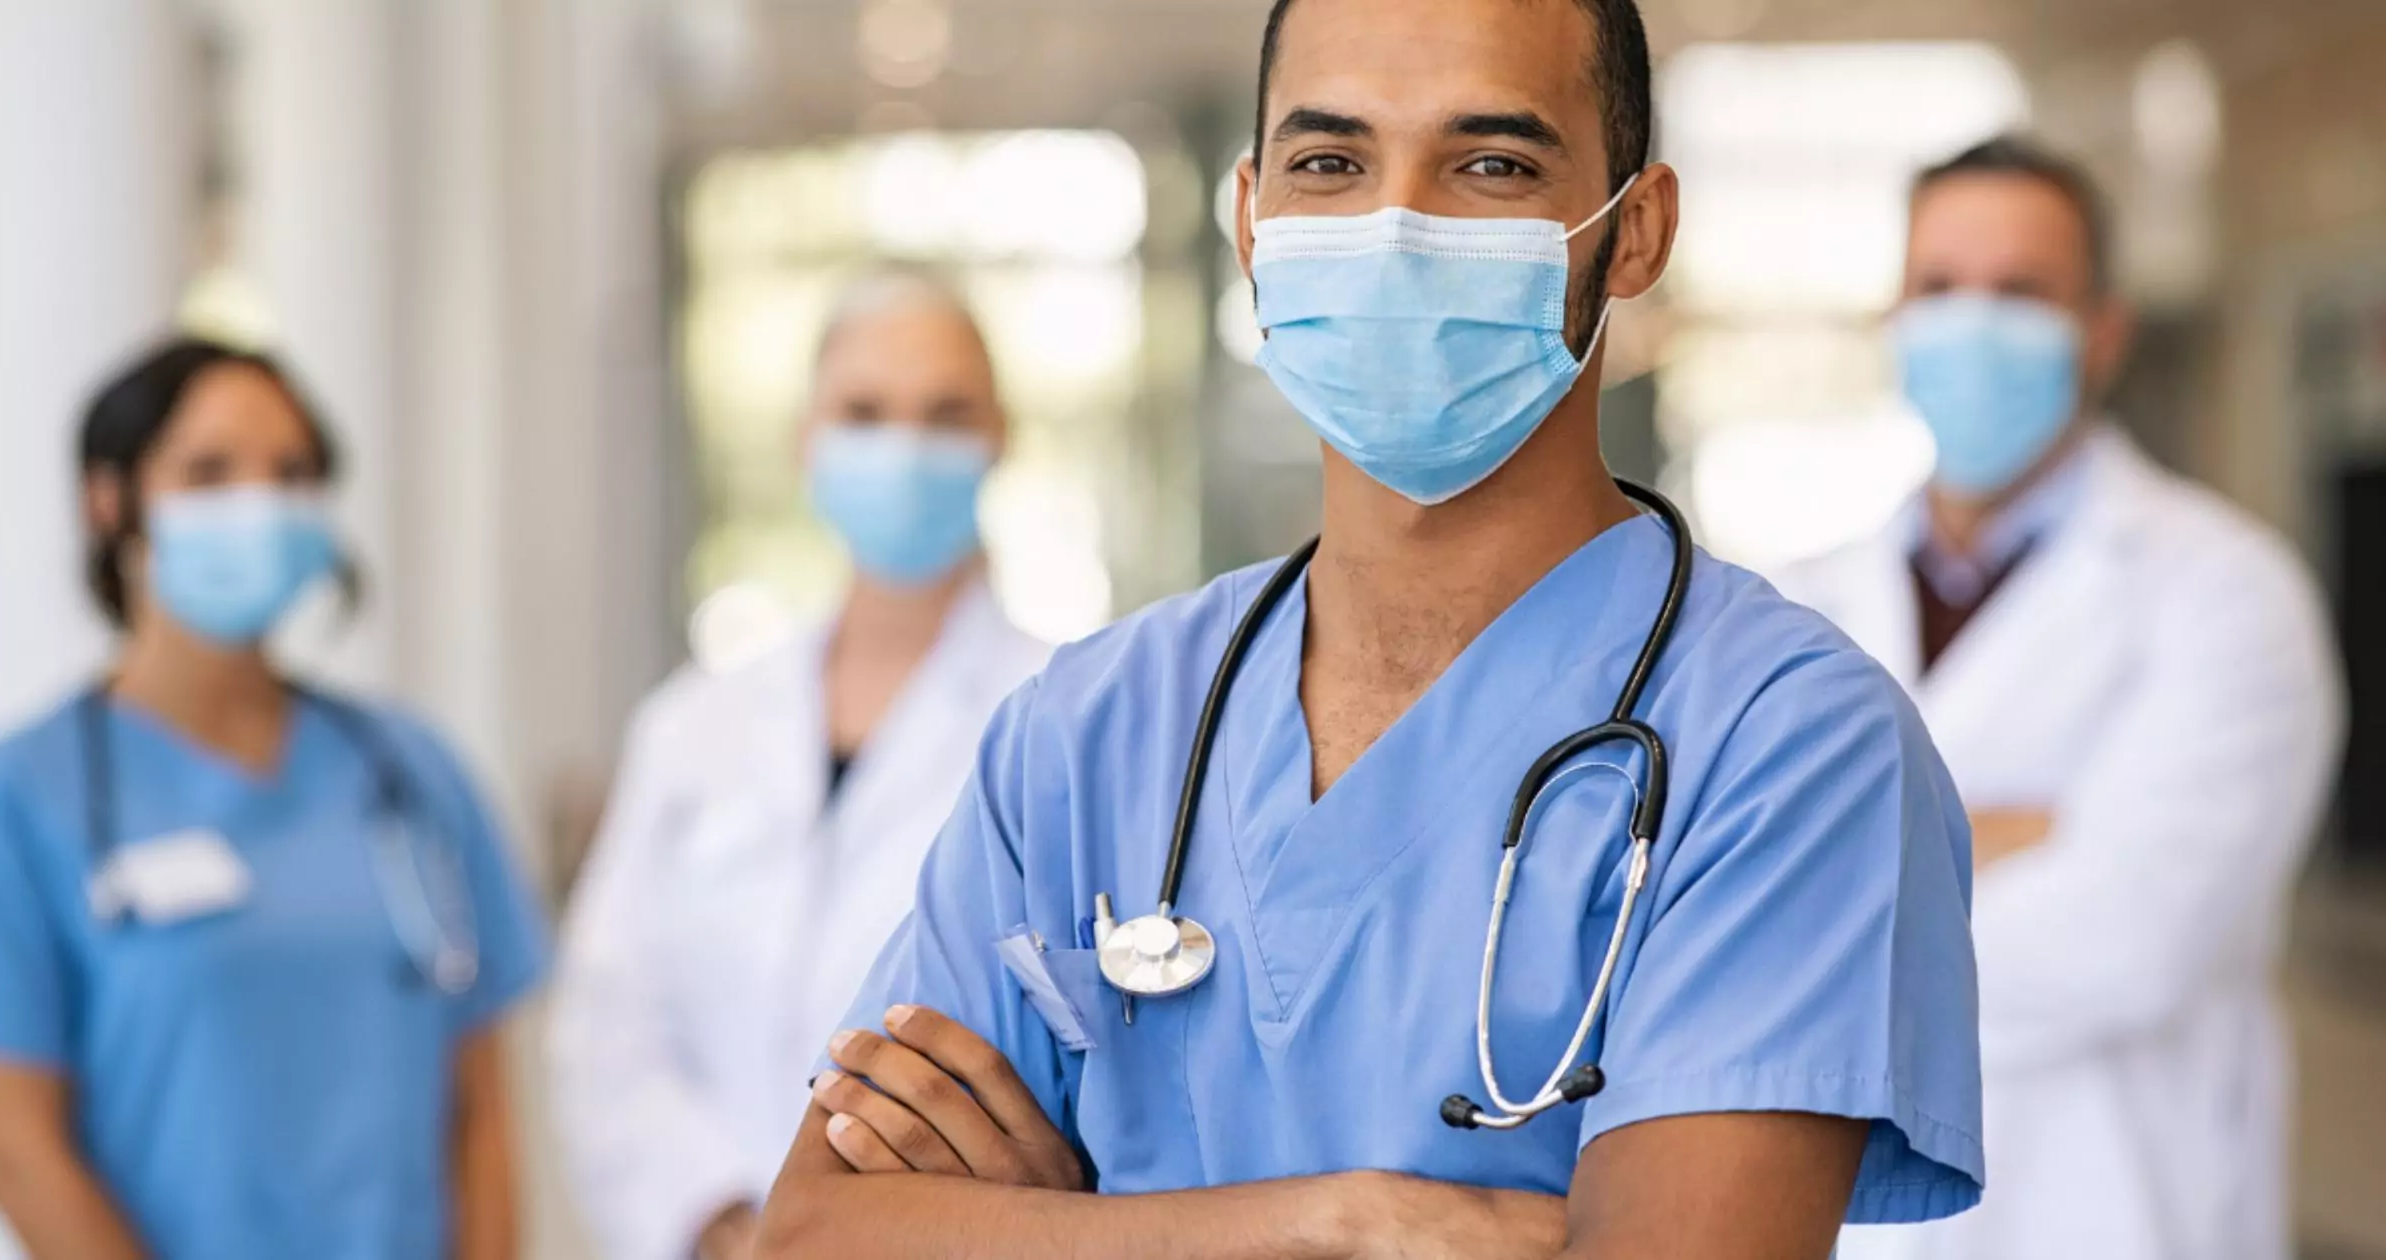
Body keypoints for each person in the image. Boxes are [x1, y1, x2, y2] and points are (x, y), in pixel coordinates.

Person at [752, 0, 1985, 1256]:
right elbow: (810, 1236)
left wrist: (1073, 1228)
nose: (1395, 227)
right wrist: (1347, 1225)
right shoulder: (1088, 733)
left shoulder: (1786, 747)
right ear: (1250, 221)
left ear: (1634, 232)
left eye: (1492, 164)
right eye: (1329, 164)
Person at [1778, 138, 2344, 1260]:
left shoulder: (2229, 595)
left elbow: (2126, 939)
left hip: (2115, 1216)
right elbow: (1686, 916)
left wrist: (1822, 874)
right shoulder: (1797, 604)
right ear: (1893, 317)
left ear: (2103, 332)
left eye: (2021, 292)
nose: (1973, 326)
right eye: (1941, 288)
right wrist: (1988, 837)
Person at [0, 338, 548, 1260]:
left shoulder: (411, 772)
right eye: (208, 472)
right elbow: (17, 1148)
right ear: (110, 500)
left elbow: (481, 1113)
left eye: (291, 473)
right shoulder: (21, 797)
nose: (258, 505)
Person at [550, 272, 1051, 1260]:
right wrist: (724, 1221)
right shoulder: (694, 728)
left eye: (943, 413)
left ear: (1001, 435)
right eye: (864, 412)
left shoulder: (1066, 720)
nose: (903, 448)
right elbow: (611, 1023)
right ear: (806, 439)